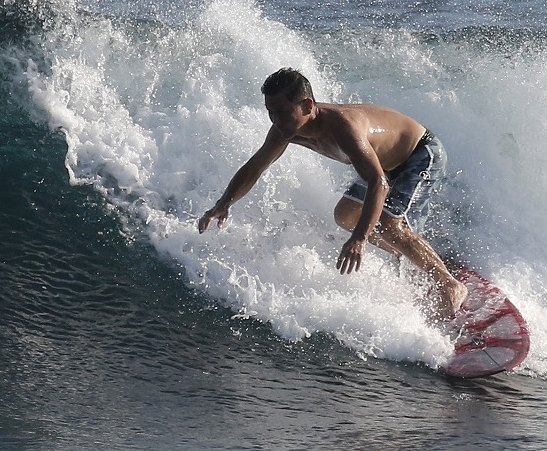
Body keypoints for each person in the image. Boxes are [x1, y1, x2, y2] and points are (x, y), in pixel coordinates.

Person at [197, 68, 468, 322]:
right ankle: (411, 252)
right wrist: (223, 204)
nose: (276, 120)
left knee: (388, 225)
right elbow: (255, 167)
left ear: (307, 106)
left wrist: (360, 239)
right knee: (346, 215)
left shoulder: (343, 129)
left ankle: (450, 284)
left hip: (420, 153)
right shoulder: (285, 131)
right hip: (383, 164)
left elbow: (378, 183)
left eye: (282, 112)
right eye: (270, 112)